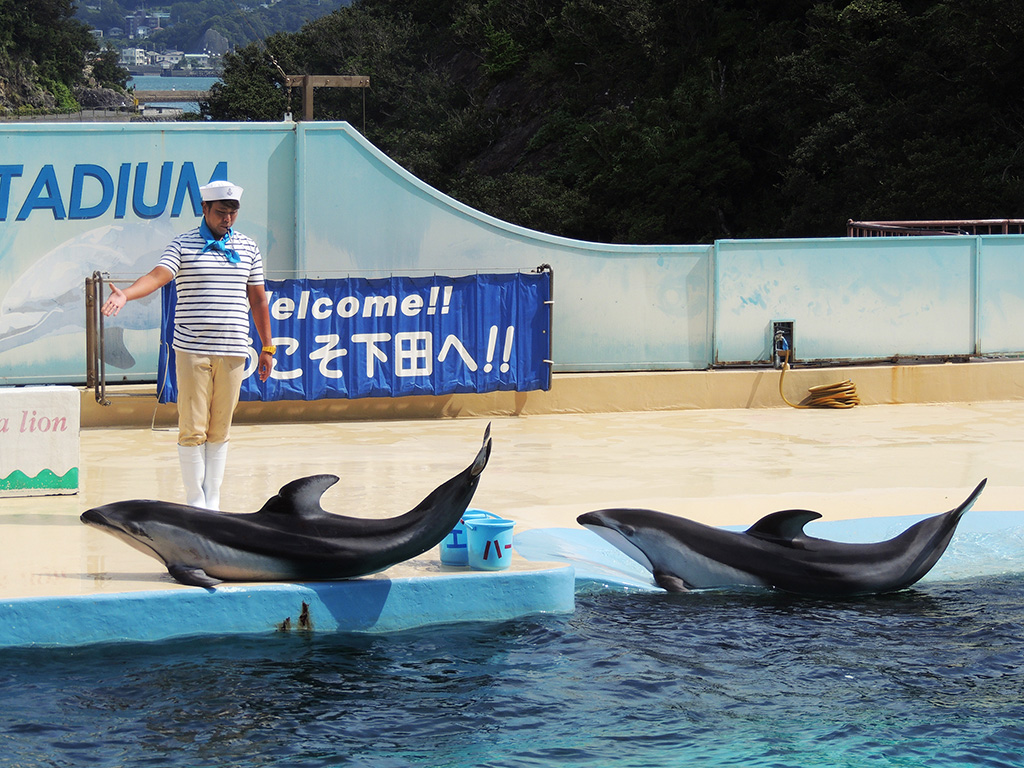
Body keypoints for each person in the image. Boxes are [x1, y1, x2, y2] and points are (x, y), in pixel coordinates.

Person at [102, 179, 274, 510]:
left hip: (234, 348)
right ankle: (195, 498)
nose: (227, 219)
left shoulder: (248, 247)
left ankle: (214, 496)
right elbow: (157, 276)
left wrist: (267, 347)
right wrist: (126, 294)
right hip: (193, 348)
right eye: (221, 212)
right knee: (193, 426)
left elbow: (259, 300)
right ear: (205, 209)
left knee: (220, 425)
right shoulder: (182, 244)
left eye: (232, 214)